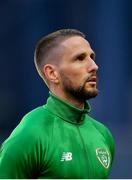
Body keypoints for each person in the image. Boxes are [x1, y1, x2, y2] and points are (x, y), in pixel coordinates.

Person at [0, 29, 115, 179]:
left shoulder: (103, 135)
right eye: (80, 58)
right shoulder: (31, 134)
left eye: (92, 57)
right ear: (52, 73)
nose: (94, 66)